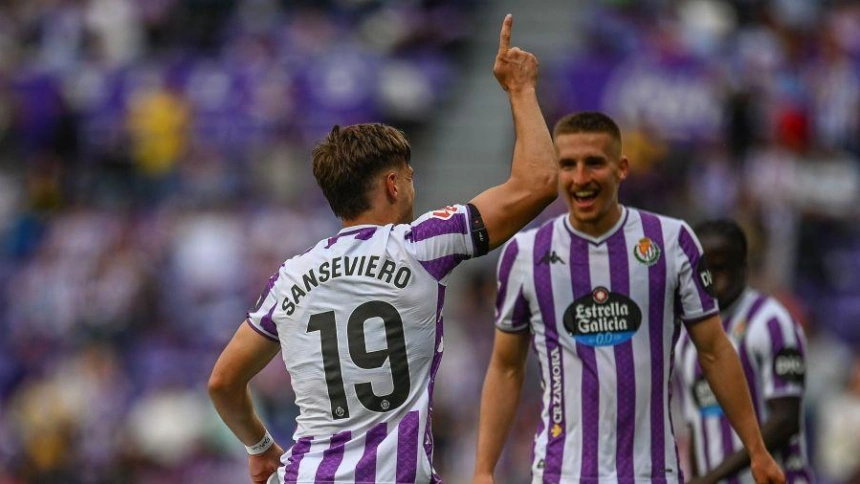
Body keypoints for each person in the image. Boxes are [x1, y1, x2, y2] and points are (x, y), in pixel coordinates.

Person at [208, 14, 559, 484]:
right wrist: (520, 89)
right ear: (393, 184)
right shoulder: (422, 245)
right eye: (410, 179)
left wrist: (260, 446)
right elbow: (537, 183)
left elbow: (223, 382)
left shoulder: (290, 277)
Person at [472, 112, 785, 484]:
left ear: (621, 168)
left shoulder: (672, 241)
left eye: (594, 163)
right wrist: (483, 470)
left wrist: (757, 450)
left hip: (650, 472)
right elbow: (506, 366)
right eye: (568, 165)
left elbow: (715, 349)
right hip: (561, 473)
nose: (581, 178)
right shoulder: (526, 252)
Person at [675, 219, 814, 484]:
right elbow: (697, 425)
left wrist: (712, 477)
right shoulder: (685, 340)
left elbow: (785, 419)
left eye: (720, 269)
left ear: (744, 268)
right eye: (702, 271)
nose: (711, 280)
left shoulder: (772, 322)